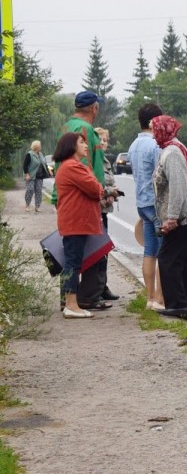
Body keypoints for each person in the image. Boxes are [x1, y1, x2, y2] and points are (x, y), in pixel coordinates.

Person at [52, 91, 114, 310]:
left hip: (72, 199)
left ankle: (71, 299)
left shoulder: (68, 125)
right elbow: (85, 171)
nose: (85, 146)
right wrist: (100, 191)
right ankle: (83, 298)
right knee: (86, 253)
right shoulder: (85, 129)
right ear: (94, 108)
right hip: (82, 202)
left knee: (74, 254)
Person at [152, 115, 187, 320]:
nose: (154, 134)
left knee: (168, 259)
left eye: (155, 129)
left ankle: (178, 305)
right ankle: (186, 307)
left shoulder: (172, 152)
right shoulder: (174, 147)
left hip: (182, 218)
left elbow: (178, 187)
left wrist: (172, 218)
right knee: (182, 261)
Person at [52, 133, 103, 319]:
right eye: (81, 142)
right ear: (71, 146)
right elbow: (95, 188)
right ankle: (71, 305)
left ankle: (71, 303)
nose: (86, 145)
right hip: (75, 223)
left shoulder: (69, 166)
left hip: (75, 222)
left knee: (73, 262)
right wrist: (98, 186)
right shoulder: (72, 166)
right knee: (72, 263)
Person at [128, 103, 166, 311]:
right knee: (163, 252)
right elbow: (161, 176)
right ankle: (160, 298)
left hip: (141, 203)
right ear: (154, 122)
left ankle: (149, 297)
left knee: (149, 251)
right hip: (156, 203)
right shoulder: (155, 145)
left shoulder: (133, 145)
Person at [94, 127, 121, 304]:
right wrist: (111, 192)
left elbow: (110, 181)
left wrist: (112, 193)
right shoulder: (94, 161)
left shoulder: (105, 160)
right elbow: (96, 184)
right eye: (100, 140)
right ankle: (96, 288)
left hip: (105, 210)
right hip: (97, 211)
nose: (103, 143)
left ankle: (103, 286)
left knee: (104, 251)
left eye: (105, 140)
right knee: (98, 251)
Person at [23, 140, 49, 212]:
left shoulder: (40, 154)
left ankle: (37, 207)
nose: (41, 147)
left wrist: (49, 171)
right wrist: (27, 174)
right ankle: (27, 205)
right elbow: (25, 165)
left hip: (40, 176)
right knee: (30, 190)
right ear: (36, 146)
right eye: (40, 146)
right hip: (31, 175)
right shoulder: (29, 154)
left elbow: (44, 163)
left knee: (38, 191)